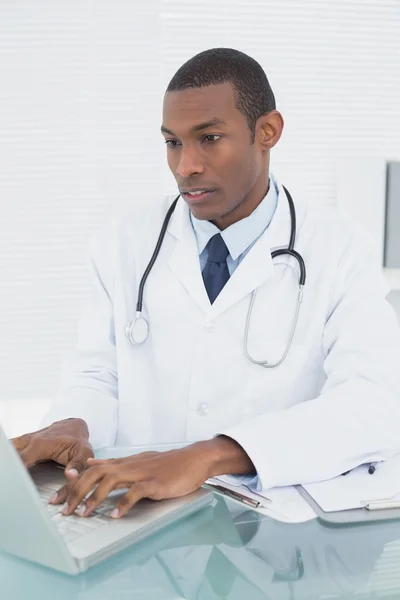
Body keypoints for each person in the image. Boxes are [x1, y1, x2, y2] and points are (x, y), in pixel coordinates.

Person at [12, 48, 400, 520]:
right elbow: (97, 372)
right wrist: (75, 422)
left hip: (278, 541)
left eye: (209, 138)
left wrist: (209, 456)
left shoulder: (340, 251)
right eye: (172, 142)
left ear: (268, 132)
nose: (184, 166)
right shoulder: (124, 241)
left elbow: (374, 404)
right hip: (140, 519)